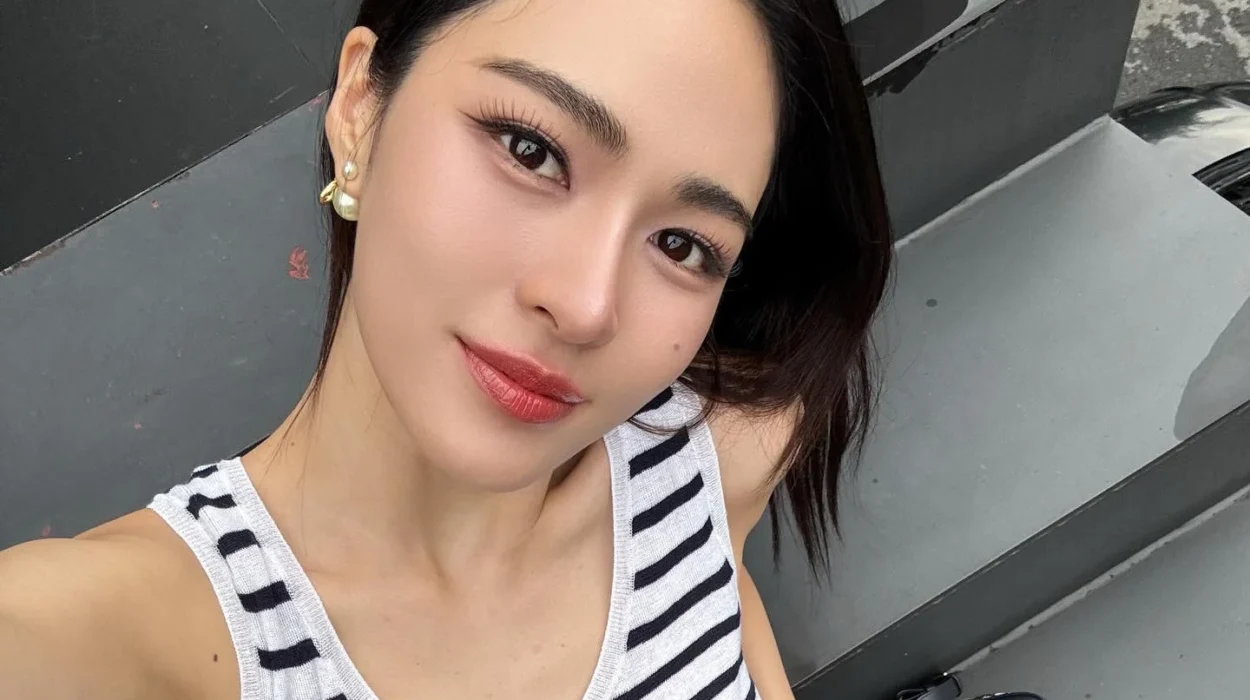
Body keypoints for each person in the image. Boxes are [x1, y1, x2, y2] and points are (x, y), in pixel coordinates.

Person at [0, 0, 892, 697]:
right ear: (360, 109)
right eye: (531, 151)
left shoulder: (713, 456)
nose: (586, 307)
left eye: (683, 245)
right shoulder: (117, 641)